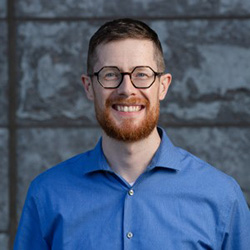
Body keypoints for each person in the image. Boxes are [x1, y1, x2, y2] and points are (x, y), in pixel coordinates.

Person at [14, 18, 250, 250]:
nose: (126, 89)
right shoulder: (46, 195)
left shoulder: (221, 196)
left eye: (141, 74)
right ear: (88, 87)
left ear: (163, 86)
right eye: (110, 74)